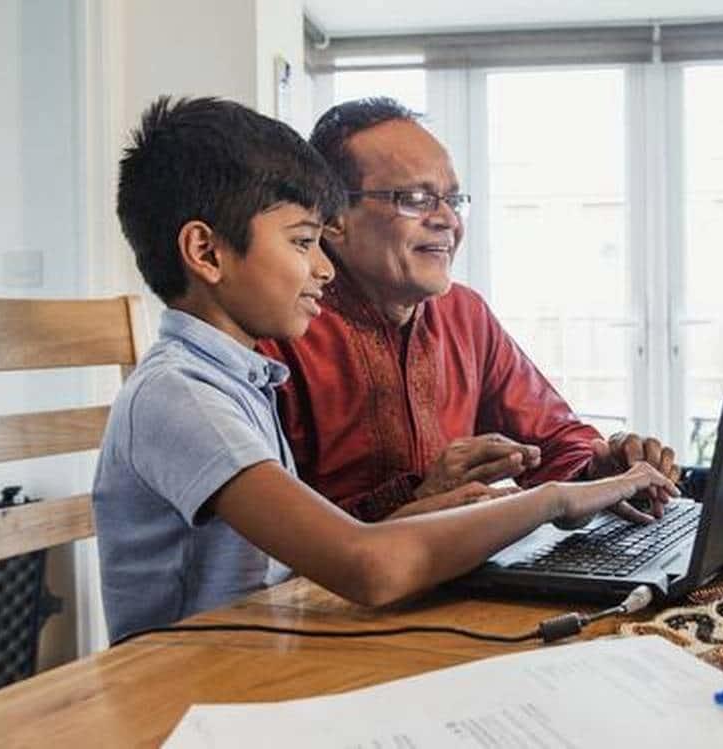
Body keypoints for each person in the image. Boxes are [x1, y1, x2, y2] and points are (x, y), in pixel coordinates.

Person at [92, 96, 677, 642]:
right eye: (302, 242)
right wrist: (551, 499)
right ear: (206, 252)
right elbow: (364, 564)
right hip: (197, 677)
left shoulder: (240, 377)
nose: (322, 269)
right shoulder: (186, 393)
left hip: (286, 639)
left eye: (452, 200)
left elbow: (317, 563)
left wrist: (582, 476)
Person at [258, 97, 681, 524]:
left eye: (453, 200)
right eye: (416, 198)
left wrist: (604, 469)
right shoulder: (276, 330)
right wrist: (419, 497)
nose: (448, 220)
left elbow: (556, 440)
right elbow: (270, 536)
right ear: (334, 219)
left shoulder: (463, 313)